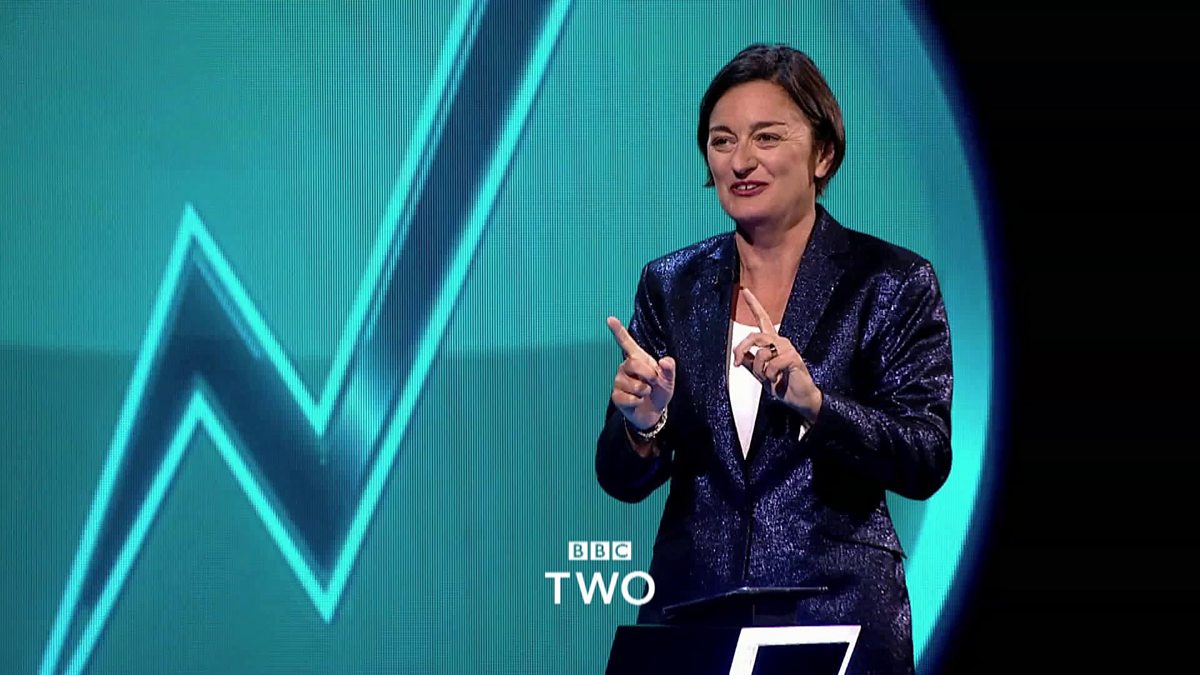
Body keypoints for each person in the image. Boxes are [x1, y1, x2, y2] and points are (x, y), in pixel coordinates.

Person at [595, 43, 952, 675]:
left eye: (767, 136)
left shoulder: (890, 281)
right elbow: (620, 479)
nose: (741, 161)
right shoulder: (671, 284)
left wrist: (817, 405)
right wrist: (644, 426)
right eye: (722, 140)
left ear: (823, 153)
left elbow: (924, 455)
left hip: (836, 612)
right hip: (693, 612)